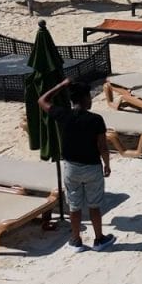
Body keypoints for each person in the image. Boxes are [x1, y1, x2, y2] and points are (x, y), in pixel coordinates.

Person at [38, 79, 116, 252]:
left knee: (74, 206)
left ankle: (76, 240)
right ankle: (99, 239)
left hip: (71, 167)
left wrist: (60, 85)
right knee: (94, 205)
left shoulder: (63, 115)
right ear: (85, 98)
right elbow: (103, 147)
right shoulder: (96, 120)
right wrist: (107, 165)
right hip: (92, 167)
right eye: (89, 97)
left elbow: (42, 101)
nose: (91, 100)